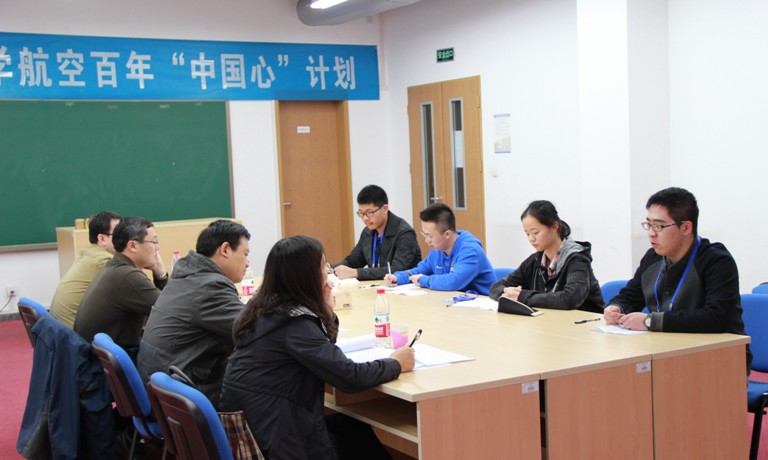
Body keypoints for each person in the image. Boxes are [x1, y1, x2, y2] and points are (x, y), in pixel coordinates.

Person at [219, 236, 414, 460]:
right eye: (323, 267)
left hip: (257, 425)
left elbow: (323, 353)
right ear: (306, 275)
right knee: (355, 437)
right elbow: (349, 377)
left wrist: (326, 314)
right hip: (275, 438)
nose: (328, 275)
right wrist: (395, 363)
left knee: (352, 426)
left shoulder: (262, 307)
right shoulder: (293, 324)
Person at [603, 187, 751, 366]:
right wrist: (616, 308)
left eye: (659, 226)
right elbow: (631, 294)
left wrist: (650, 321)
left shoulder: (716, 261)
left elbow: (716, 317)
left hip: (719, 357)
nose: (651, 233)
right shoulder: (653, 257)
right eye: (649, 225)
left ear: (686, 227)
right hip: (666, 350)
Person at [137, 220, 251, 406]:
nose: (247, 263)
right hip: (180, 395)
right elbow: (252, 327)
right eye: (245, 254)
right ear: (225, 250)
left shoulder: (187, 274)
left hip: (161, 384)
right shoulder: (210, 285)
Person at [74, 216, 168, 358]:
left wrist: (159, 273)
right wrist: (161, 273)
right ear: (133, 246)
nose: (157, 248)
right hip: (103, 363)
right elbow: (173, 309)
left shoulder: (116, 267)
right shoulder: (128, 277)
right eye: (154, 241)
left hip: (96, 359)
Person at [489, 201, 604, 313]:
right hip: (550, 321)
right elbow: (495, 287)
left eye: (535, 232)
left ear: (554, 227)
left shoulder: (577, 259)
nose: (531, 239)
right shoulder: (535, 260)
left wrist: (522, 296)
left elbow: (569, 299)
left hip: (584, 322)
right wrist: (507, 292)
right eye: (527, 234)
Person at [384, 203, 496, 295]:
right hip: (452, 302)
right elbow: (421, 269)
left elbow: (453, 282)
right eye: (424, 235)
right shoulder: (438, 248)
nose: (426, 240)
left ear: (447, 234)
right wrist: (398, 277)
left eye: (429, 236)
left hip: (481, 306)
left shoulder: (470, 251)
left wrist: (422, 280)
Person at [333, 185, 421, 281]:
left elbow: (396, 269)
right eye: (361, 213)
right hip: (378, 286)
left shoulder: (405, 233)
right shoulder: (367, 232)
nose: (365, 218)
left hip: (404, 286)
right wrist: (330, 268)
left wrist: (357, 273)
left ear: (385, 209)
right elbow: (353, 261)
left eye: (369, 213)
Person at [50, 211, 121, 328]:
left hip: (60, 331)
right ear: (102, 239)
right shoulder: (103, 260)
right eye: (119, 235)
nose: (125, 239)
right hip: (74, 335)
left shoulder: (89, 253)